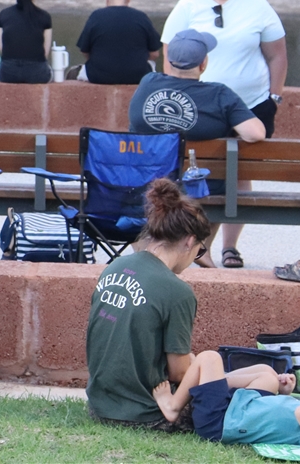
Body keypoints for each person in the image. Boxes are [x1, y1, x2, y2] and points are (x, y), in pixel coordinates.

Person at [162, 0, 286, 268]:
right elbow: (170, 57)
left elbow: (277, 55)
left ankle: (229, 247)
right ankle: (198, 244)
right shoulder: (188, 6)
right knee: (205, 173)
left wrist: (274, 97)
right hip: (202, 106)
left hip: (252, 106)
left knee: (241, 174)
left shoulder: (258, 6)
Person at [85, 178, 215, 430]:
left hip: (99, 406)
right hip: (146, 413)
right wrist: (194, 361)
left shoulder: (115, 266)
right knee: (219, 387)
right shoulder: (178, 291)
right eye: (199, 252)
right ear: (189, 241)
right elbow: (179, 373)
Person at [150, 349, 300, 446]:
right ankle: (208, 379)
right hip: (243, 407)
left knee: (209, 357)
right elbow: (288, 413)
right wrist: (283, 394)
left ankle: (173, 406)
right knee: (268, 374)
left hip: (221, 422)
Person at [129, 29, 264, 145]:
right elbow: (255, 134)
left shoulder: (149, 81)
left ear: (169, 61)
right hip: (199, 167)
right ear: (203, 64)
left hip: (148, 167)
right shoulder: (219, 94)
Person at [76, 0, 162, 85]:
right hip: (138, 76)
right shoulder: (141, 17)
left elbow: (84, 51)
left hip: (98, 76)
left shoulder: (96, 16)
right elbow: (154, 53)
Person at [0, 0, 52, 84]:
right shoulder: (45, 16)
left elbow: (3, 49)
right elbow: (45, 53)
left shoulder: (4, 14)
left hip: (8, 73)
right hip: (37, 74)